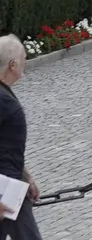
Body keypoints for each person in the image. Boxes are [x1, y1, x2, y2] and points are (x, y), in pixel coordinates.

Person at [0, 35, 40, 240]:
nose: (26, 62)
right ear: (12, 65)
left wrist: (26, 177)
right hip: (4, 192)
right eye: (24, 58)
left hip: (13, 189)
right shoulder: (3, 101)